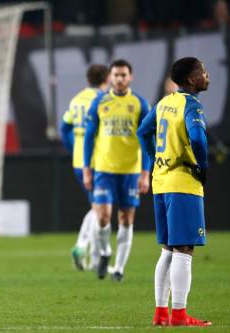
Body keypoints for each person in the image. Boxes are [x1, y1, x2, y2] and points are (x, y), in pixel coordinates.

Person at [138, 57, 212, 327]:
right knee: (184, 249)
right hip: (182, 182)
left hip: (161, 181)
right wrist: (202, 166)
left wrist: (154, 158)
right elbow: (198, 138)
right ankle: (179, 315)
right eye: (202, 72)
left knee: (168, 249)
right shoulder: (190, 104)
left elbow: (143, 131)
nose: (206, 75)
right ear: (192, 80)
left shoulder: (164, 102)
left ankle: (160, 314)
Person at [83, 59, 151, 281]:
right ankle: (105, 253)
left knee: (126, 219)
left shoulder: (140, 104)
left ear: (130, 77)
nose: (120, 79)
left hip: (130, 171)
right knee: (103, 217)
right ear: (110, 77)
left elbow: (147, 141)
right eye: (116, 75)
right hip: (104, 169)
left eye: (123, 75)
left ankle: (119, 268)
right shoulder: (100, 103)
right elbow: (89, 137)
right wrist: (87, 168)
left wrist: (145, 172)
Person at [60, 64, 109, 271]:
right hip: (98, 161)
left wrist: (73, 147)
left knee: (97, 208)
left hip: (78, 162)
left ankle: (91, 255)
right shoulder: (104, 101)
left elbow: (64, 127)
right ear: (106, 79)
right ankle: (88, 252)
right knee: (101, 210)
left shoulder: (76, 99)